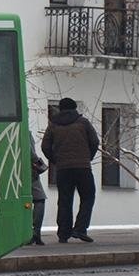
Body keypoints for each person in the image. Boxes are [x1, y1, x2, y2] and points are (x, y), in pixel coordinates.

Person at [41, 97, 99, 243]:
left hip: (63, 169)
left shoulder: (53, 124)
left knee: (65, 200)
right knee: (88, 196)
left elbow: (45, 146)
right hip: (83, 167)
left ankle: (63, 233)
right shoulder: (83, 122)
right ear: (74, 108)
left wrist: (56, 160)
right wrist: (87, 157)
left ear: (60, 109)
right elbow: (94, 142)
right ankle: (80, 229)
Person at [28, 135, 48, 245]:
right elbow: (29, 151)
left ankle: (31, 232)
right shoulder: (24, 130)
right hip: (28, 171)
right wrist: (39, 163)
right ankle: (35, 232)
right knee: (40, 199)